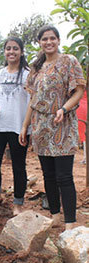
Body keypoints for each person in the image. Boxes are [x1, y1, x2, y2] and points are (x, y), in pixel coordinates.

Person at [19, 25, 86, 230]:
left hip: (62, 125)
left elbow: (79, 91)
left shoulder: (69, 61)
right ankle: (55, 216)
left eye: (52, 38)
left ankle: (70, 222)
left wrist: (64, 109)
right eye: (44, 39)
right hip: (41, 127)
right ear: (39, 43)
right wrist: (25, 127)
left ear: (58, 40)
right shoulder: (36, 68)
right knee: (48, 174)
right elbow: (33, 100)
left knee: (64, 175)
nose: (48, 42)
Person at [0, 36, 31, 215]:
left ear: (21, 52)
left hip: (19, 128)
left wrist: (25, 127)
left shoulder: (28, 75)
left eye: (15, 49)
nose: (11, 52)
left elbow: (31, 102)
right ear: (4, 52)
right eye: (8, 49)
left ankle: (18, 203)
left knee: (18, 166)